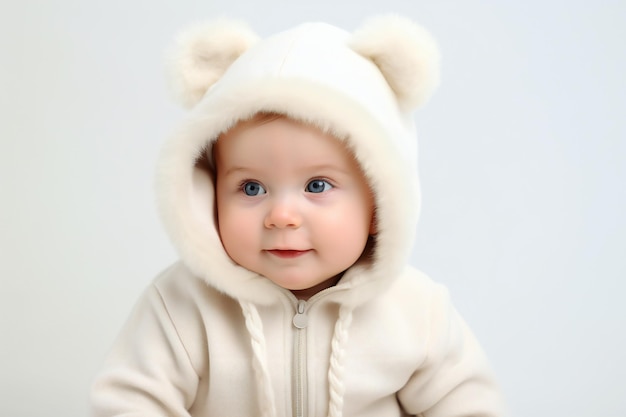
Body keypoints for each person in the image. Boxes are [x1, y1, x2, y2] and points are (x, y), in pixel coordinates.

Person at [90, 14, 506, 417]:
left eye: (317, 186)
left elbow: (469, 408)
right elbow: (130, 403)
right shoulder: (182, 304)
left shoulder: (416, 310)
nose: (282, 216)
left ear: (380, 203)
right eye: (251, 188)